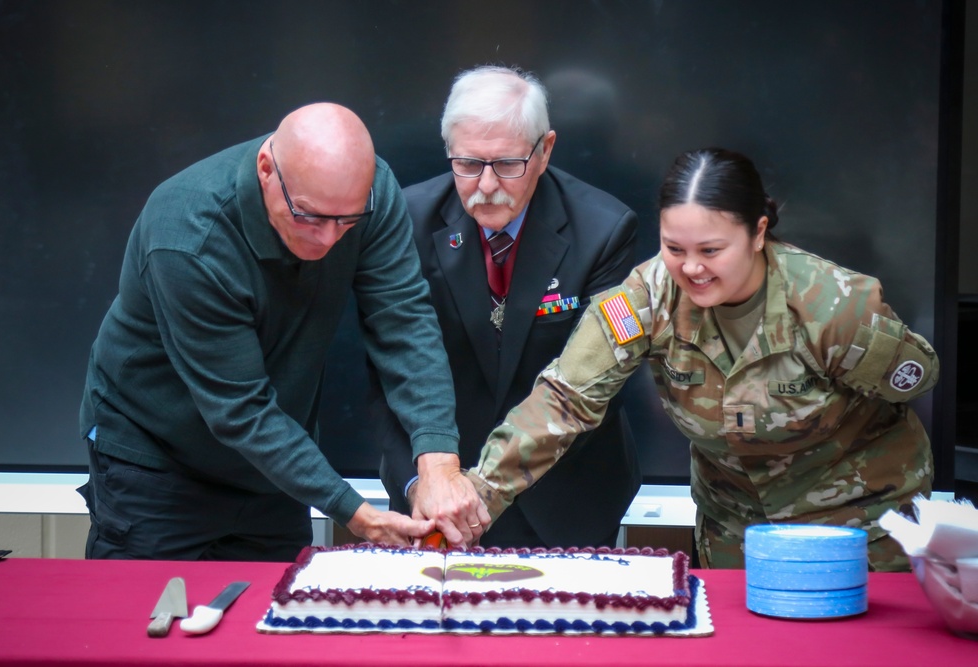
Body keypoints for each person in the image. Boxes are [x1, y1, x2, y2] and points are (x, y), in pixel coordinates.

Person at [464, 147, 939, 571]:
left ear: (758, 233)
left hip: (860, 530)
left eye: (711, 250)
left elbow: (915, 380)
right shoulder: (647, 297)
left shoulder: (833, 308)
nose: (691, 268)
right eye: (674, 249)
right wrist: (478, 494)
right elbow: (565, 400)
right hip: (736, 532)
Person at [78, 103, 487, 561]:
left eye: (346, 221)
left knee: (272, 621)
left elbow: (404, 321)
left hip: (273, 466)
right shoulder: (188, 235)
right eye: (308, 217)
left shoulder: (369, 193)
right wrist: (357, 514)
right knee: (145, 623)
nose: (329, 239)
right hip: (156, 464)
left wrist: (438, 464)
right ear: (267, 169)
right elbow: (239, 408)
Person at [371, 65, 641, 549]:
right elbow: (391, 371)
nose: (487, 185)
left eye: (508, 164)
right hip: (433, 502)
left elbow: (598, 383)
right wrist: (420, 484)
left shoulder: (604, 229)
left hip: (563, 501)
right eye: (469, 164)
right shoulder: (406, 223)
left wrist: (481, 491)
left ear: (545, 150)